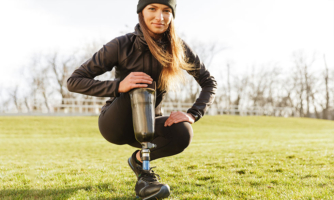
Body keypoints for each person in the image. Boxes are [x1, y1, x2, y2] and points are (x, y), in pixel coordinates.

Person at [67, 0, 217, 199]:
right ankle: (144, 173)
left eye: (166, 10)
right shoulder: (121, 45)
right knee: (139, 88)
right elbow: (74, 81)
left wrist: (193, 114)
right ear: (141, 13)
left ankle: (142, 170)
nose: (160, 17)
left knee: (183, 132)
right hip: (116, 123)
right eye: (152, 9)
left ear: (172, 16)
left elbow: (209, 83)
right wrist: (118, 86)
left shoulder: (177, 48)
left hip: (149, 123)